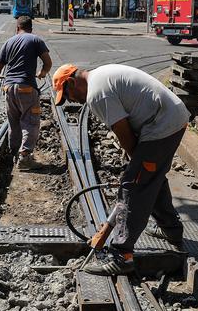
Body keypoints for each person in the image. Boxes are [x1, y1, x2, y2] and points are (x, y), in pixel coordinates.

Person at [52, 63, 190, 275]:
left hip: (162, 124)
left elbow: (123, 131)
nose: (70, 100)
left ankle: (122, 256)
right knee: (151, 178)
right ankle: (172, 231)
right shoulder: (101, 75)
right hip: (170, 116)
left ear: (71, 81)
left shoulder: (96, 94)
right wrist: (139, 164)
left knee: (134, 185)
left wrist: (135, 167)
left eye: (67, 94)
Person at [0, 16, 53, 169]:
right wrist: (43, 72)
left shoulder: (8, 42)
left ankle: (14, 153)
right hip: (26, 88)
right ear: (31, 28)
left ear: (17, 28)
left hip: (9, 89)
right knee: (30, 122)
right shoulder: (35, 40)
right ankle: (24, 158)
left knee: (14, 123)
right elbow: (48, 63)